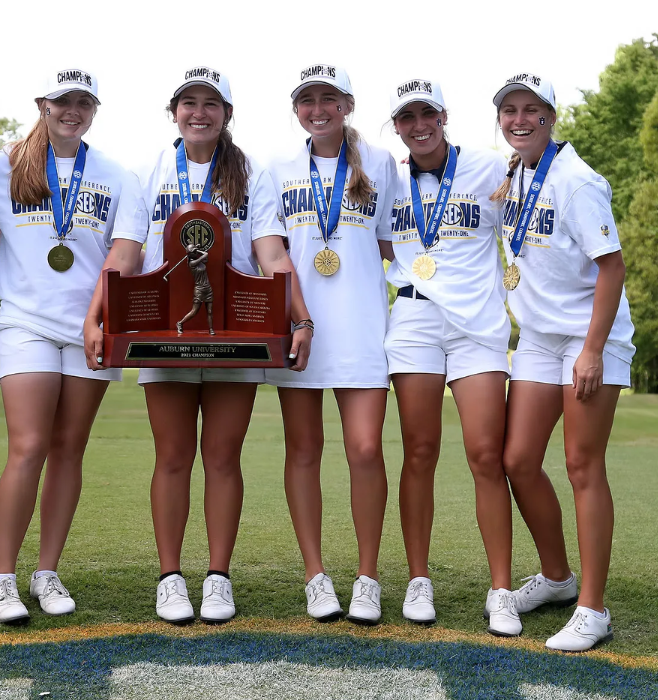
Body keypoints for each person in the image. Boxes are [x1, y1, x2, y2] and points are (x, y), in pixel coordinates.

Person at [83, 66, 313, 625]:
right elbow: (127, 252)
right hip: (166, 333)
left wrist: (301, 320)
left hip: (235, 332)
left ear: (228, 114)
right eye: (189, 102)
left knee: (223, 457)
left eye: (212, 103)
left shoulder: (250, 173)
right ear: (174, 112)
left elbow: (271, 254)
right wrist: (96, 315)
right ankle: (169, 578)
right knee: (172, 456)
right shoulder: (148, 171)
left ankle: (217, 577)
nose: (199, 112)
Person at [0, 70, 147, 623]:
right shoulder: (0, 167)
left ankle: (46, 570)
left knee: (69, 449)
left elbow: (123, 255)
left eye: (83, 101)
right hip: (25, 322)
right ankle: (3, 577)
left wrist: (100, 317)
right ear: (42, 104)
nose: (72, 110)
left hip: (91, 328)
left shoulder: (118, 175)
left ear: (95, 108)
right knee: (28, 446)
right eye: (62, 101)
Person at [492, 73, 636, 651]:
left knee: (582, 465)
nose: (519, 119)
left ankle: (592, 609)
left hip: (587, 338)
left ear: (552, 116)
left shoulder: (576, 181)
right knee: (518, 459)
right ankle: (557, 577)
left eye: (531, 110)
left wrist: (593, 350)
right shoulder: (517, 174)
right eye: (509, 111)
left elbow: (612, 267)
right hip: (538, 339)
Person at [264, 64, 400, 625]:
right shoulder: (276, 169)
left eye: (328, 98)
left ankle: (367, 577)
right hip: (299, 329)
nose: (317, 109)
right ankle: (315, 576)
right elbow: (269, 252)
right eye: (306, 100)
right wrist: (293, 316)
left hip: (364, 326)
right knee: (304, 451)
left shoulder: (381, 163)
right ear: (297, 108)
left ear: (346, 104)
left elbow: (393, 242)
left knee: (366, 449)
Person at [383, 79, 519, 635]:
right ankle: (419, 579)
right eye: (406, 117)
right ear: (396, 126)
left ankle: (502, 589)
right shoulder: (385, 179)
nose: (419, 125)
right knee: (420, 450)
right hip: (414, 320)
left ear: (443, 116)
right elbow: (375, 242)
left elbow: (528, 209)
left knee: (487, 454)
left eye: (427, 113)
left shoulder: (490, 169)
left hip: (477, 327)